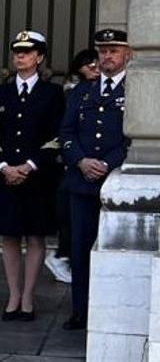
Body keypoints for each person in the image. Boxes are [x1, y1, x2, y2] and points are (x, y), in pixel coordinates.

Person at [0, 31, 66, 321]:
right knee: (10, 236)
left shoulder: (52, 94)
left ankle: (28, 296)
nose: (20, 56)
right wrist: (4, 166)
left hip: (38, 178)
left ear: (39, 57)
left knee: (35, 236)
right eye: (17, 51)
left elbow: (55, 138)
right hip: (6, 176)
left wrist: (29, 166)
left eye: (28, 52)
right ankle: (13, 295)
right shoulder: (0, 93)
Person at [60, 29, 132, 330]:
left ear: (127, 54)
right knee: (80, 249)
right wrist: (81, 160)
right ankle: (81, 311)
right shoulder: (82, 91)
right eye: (102, 50)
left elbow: (136, 137)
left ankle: (114, 311)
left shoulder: (136, 90)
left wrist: (107, 163)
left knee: (119, 251)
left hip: (116, 179)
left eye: (114, 50)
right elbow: (66, 132)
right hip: (82, 182)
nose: (107, 56)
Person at [45, 48, 99, 285]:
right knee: (69, 217)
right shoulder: (72, 91)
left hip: (83, 165)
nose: (94, 68)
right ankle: (61, 256)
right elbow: (66, 128)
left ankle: (64, 256)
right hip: (69, 164)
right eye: (89, 64)